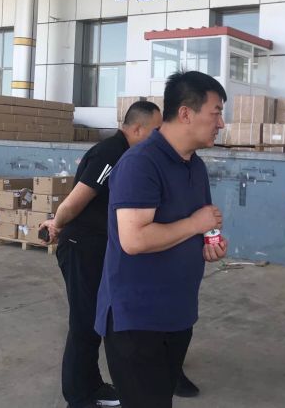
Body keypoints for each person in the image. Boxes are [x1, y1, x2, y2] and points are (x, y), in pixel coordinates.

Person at [95, 71, 228, 408]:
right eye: (215, 113)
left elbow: (196, 225)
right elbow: (134, 239)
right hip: (137, 319)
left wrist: (208, 243)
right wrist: (196, 223)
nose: (221, 123)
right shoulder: (140, 163)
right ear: (185, 113)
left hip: (177, 313)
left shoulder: (194, 166)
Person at [40, 101, 162, 408]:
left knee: (95, 321)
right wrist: (56, 223)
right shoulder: (110, 153)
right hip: (81, 247)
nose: (160, 137)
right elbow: (75, 201)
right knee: (84, 324)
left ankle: (92, 385)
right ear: (138, 129)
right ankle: (78, 396)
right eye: (156, 131)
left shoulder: (129, 155)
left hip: (99, 249)